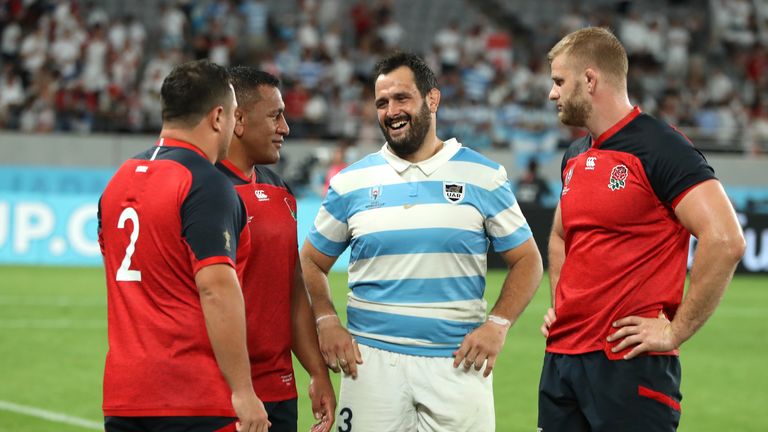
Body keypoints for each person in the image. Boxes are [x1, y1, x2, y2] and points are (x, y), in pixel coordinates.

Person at [300, 52, 543, 432]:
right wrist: (326, 320)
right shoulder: (350, 182)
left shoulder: (484, 176)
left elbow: (528, 259)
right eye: (382, 102)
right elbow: (311, 261)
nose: (391, 110)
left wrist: (497, 325)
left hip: (458, 365)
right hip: (370, 365)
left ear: (432, 99)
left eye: (401, 98)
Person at [539, 27, 745, 431]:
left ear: (590, 80)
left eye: (559, 81)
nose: (552, 93)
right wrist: (562, 306)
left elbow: (725, 239)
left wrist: (675, 331)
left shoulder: (662, 147)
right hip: (562, 361)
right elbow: (561, 235)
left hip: (629, 368)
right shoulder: (575, 155)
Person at [98, 59, 270, 432]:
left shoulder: (117, 181)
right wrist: (243, 391)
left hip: (124, 397)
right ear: (218, 117)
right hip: (193, 399)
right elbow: (216, 289)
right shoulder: (205, 183)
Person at [217, 66, 336, 432]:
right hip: (220, 394)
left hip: (279, 392)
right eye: (275, 116)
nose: (285, 128)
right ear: (238, 120)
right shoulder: (202, 191)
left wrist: (317, 372)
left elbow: (293, 291)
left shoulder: (280, 191)